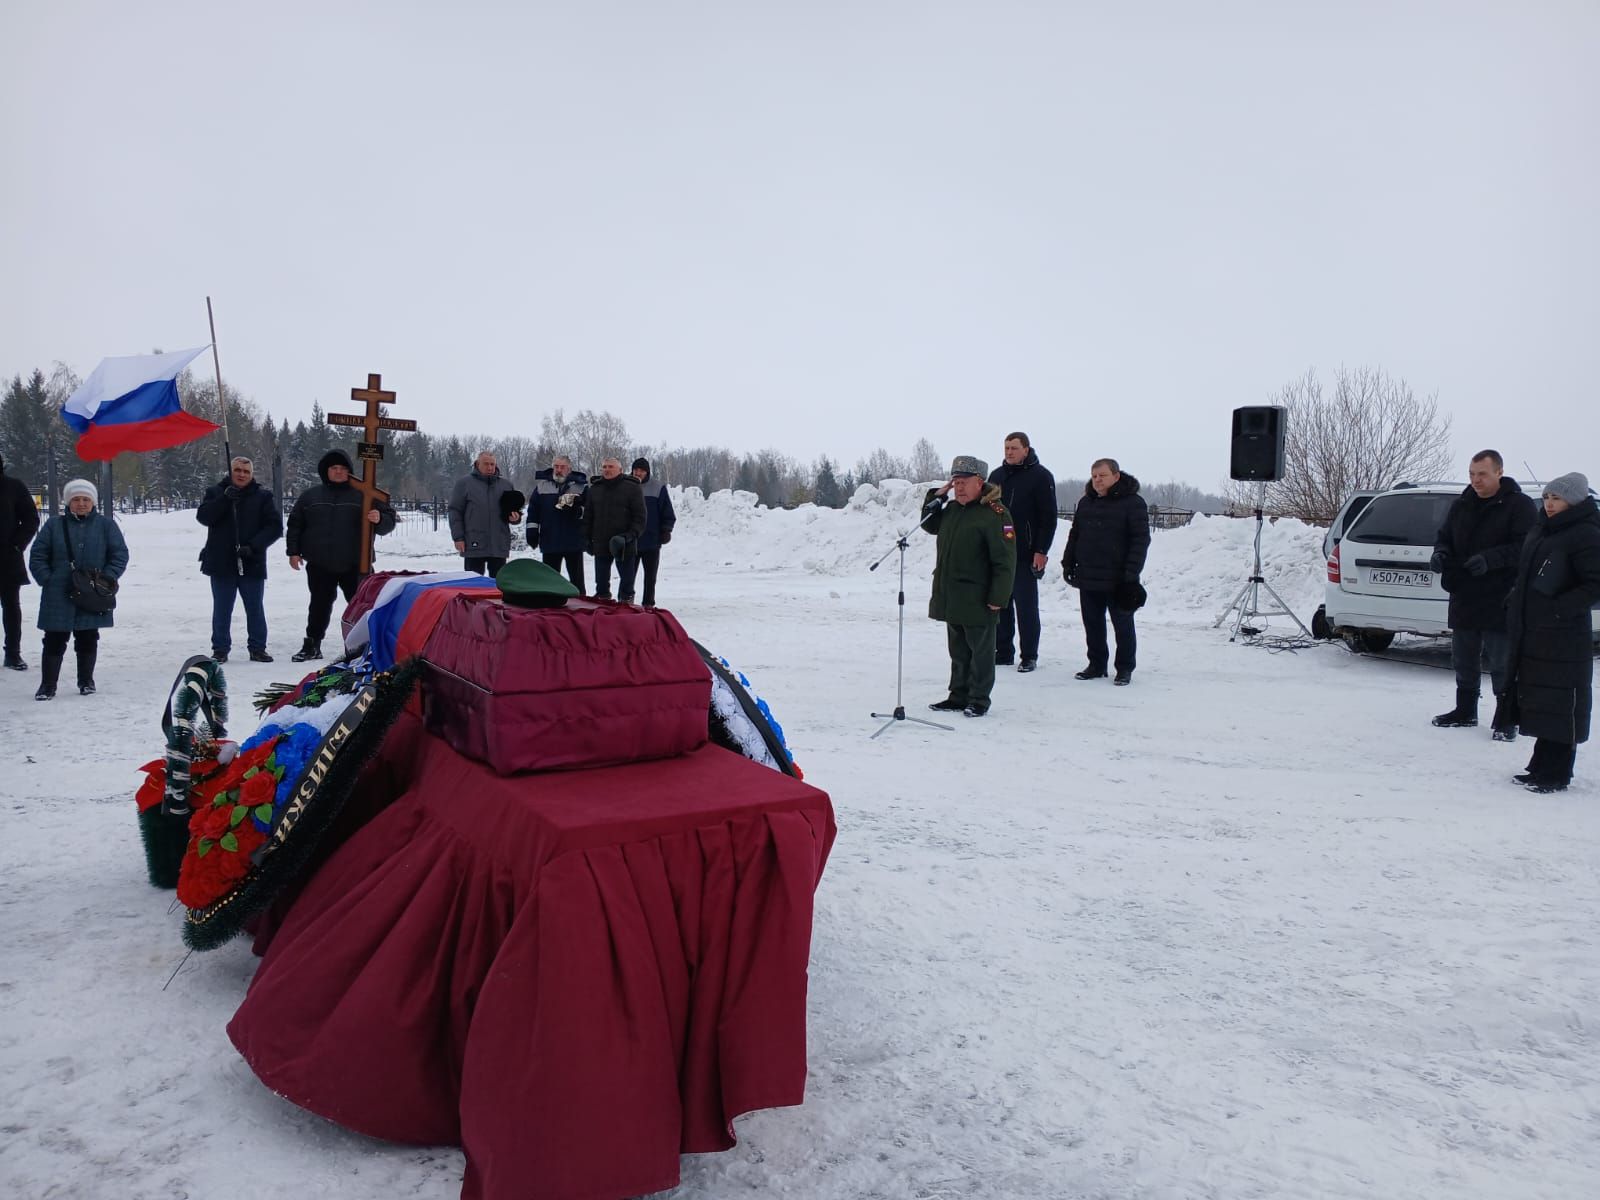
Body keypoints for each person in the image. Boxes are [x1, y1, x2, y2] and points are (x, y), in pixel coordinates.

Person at [1428, 450, 1538, 737]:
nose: (1476, 480)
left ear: (1499, 472)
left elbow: (1526, 546)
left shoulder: (1519, 505)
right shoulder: (1462, 504)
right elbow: (1444, 538)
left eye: (1482, 474)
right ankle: (1465, 711)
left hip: (1501, 596)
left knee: (1502, 663)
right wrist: (1440, 554)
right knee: (1463, 658)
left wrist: (1491, 559)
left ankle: (1506, 719)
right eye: (1472, 474)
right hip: (1464, 593)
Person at [1503, 472, 1600, 793]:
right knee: (1542, 699)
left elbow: (1594, 584)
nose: (1550, 504)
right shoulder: (1543, 529)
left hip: (1564, 635)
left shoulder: (1585, 533)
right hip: (1536, 630)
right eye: (1546, 498)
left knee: (1562, 702)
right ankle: (1541, 765)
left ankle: (1557, 772)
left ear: (1574, 500)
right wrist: (1516, 596)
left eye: (1556, 498)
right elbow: (1528, 573)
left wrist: (1561, 608)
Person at [920, 455, 1016, 718]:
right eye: (956, 482)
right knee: (958, 651)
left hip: (979, 596)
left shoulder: (995, 514)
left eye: (964, 482)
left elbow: (1004, 562)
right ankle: (958, 695)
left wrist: (999, 596)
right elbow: (928, 524)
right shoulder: (951, 510)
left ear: (980, 482)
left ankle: (979, 699)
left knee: (981, 653)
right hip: (953, 593)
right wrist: (936, 496)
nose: (959, 487)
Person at [284, 449, 396, 663]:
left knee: (362, 605)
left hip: (356, 562)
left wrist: (379, 518)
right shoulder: (310, 496)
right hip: (319, 563)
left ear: (349, 472)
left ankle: (367, 645)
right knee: (318, 604)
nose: (338, 472)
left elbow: (388, 520)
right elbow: (295, 525)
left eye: (343, 468)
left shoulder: (365, 495)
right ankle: (312, 644)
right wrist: (293, 552)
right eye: (334, 468)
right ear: (326, 471)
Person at [28, 478, 128, 700]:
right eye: (76, 499)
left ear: (93, 502)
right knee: (54, 638)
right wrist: (47, 579)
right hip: (58, 593)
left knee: (88, 636)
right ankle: (48, 685)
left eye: (85, 499)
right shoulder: (54, 525)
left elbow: (119, 554)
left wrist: (106, 579)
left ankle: (86, 681)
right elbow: (38, 555)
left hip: (93, 593)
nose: (81, 503)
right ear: (68, 502)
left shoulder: (106, 525)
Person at [1061, 458, 1149, 685]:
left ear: (1116, 476)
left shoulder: (1133, 503)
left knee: (1123, 624)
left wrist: (1131, 574)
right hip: (1088, 574)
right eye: (1094, 476)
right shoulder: (1086, 502)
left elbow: (1140, 540)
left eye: (1103, 475)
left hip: (1119, 578)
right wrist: (1068, 562)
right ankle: (1097, 664)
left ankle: (1125, 668)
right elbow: (1075, 534)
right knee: (1092, 623)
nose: (1098, 480)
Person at [197, 457, 283, 663]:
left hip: (251, 561)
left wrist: (253, 546)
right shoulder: (216, 493)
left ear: (251, 474)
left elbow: (275, 527)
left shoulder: (263, 496)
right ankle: (220, 649)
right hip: (221, 563)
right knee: (222, 608)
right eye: (238, 470)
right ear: (230, 471)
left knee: (255, 607)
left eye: (246, 471)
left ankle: (257, 648)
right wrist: (225, 499)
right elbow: (204, 517)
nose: (242, 474)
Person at [987, 432, 1057, 672]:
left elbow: (1048, 518)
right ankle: (1003, 651)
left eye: (1014, 448)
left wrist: (1041, 550)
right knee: (1000, 603)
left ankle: (1029, 655)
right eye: (1006, 448)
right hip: (998, 552)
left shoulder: (1041, 476)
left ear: (1026, 449)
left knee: (1026, 606)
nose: (1009, 452)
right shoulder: (996, 476)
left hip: (1025, 551)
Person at [447, 449, 521, 576]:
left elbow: (513, 511)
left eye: (492, 464)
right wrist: (458, 538)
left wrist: (515, 518)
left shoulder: (506, 485)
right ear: (477, 464)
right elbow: (455, 511)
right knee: (474, 585)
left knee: (498, 586)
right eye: (486, 464)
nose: (490, 467)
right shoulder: (464, 484)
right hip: (473, 542)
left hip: (498, 544)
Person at [582, 457, 646, 601]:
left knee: (627, 584)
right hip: (600, 543)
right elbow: (588, 517)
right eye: (604, 467)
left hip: (624, 544)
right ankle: (603, 608)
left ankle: (626, 609)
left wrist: (629, 536)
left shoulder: (632, 488)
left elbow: (640, 518)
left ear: (620, 470)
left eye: (611, 467)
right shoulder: (595, 489)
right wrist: (586, 538)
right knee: (601, 584)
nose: (607, 470)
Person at [1, 453, 41, 671]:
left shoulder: (14, 487)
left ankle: (12, 653)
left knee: (11, 608)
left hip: (6, 559)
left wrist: (17, 545)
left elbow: (30, 518)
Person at [528, 455, 588, 592]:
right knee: (549, 582)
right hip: (550, 540)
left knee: (577, 582)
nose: (559, 470)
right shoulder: (541, 487)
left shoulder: (581, 487)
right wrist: (531, 532)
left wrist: (578, 510)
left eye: (562, 467)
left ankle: (581, 607)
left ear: (569, 469)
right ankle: (550, 608)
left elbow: (590, 511)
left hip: (574, 541)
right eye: (556, 466)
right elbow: (533, 512)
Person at [631, 457, 676, 607]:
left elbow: (667, 511)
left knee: (650, 577)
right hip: (631, 541)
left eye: (641, 470)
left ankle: (648, 603)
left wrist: (666, 530)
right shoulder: (626, 486)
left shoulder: (658, 487)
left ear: (647, 471)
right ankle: (626, 602)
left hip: (651, 540)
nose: (638, 473)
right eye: (636, 470)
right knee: (628, 576)